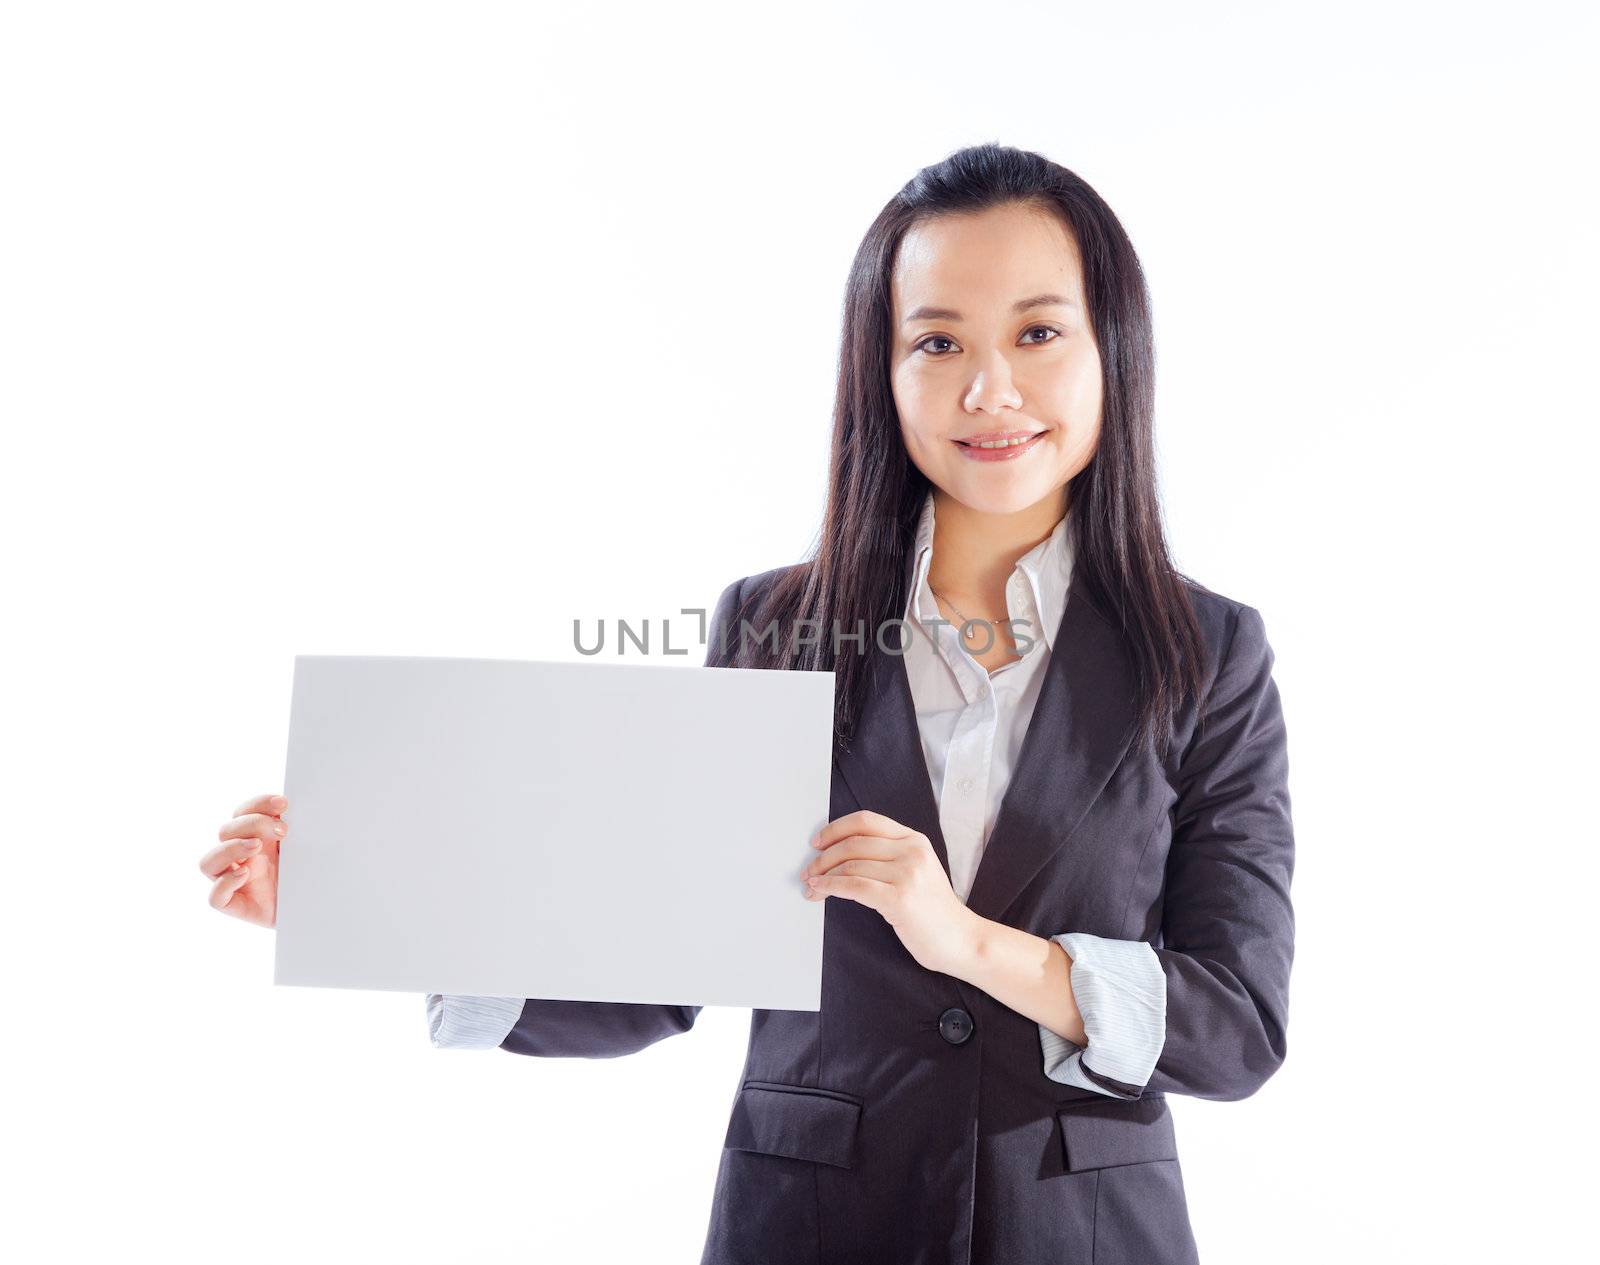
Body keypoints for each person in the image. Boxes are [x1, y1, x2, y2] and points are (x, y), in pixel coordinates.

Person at [200, 142, 1295, 1265]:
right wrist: (360, 901)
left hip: (1084, 1232)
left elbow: (1237, 1026)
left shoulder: (1205, 651)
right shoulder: (775, 627)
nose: (989, 389)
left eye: (1036, 331)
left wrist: (964, 939)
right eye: (936, 341)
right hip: (812, 1222)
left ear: (1112, 347)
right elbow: (666, 966)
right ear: (881, 370)